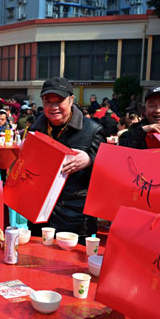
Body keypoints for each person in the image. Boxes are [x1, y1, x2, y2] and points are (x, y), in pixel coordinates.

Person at [28, 77, 105, 239]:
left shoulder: (92, 130)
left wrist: (90, 160)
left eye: (59, 101)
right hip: (40, 212)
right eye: (48, 102)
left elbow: (108, 171)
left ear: (71, 100)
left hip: (75, 214)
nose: (54, 107)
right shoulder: (35, 130)